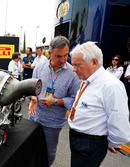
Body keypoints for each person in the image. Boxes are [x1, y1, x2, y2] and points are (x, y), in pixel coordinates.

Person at [69, 41, 130, 167]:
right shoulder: (86, 79)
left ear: (94, 62)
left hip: (89, 143)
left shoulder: (111, 85)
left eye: (77, 65)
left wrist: (112, 142)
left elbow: (119, 121)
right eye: (72, 65)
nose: (73, 69)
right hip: (79, 140)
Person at [28, 36, 80, 167]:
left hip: (53, 122)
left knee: (49, 154)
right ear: (50, 53)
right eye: (58, 56)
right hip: (34, 117)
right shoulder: (39, 68)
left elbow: (75, 100)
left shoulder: (73, 74)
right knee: (31, 149)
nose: (63, 60)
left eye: (66, 55)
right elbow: (31, 88)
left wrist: (56, 101)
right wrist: (33, 98)